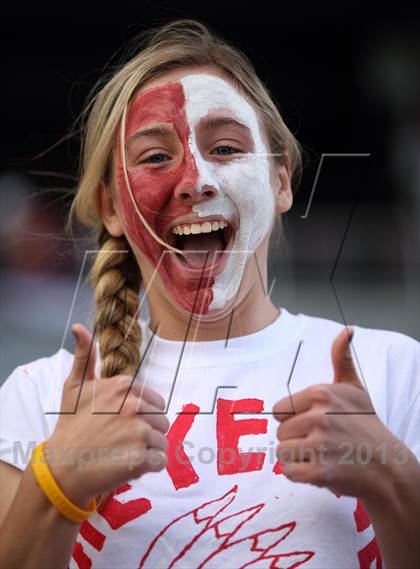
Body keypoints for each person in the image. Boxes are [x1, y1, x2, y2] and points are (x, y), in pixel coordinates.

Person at [0, 19, 419, 569]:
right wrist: (55, 485)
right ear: (109, 208)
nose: (196, 179)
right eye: (154, 156)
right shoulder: (38, 396)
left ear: (281, 182)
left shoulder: (395, 370)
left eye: (224, 147)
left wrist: (392, 474)